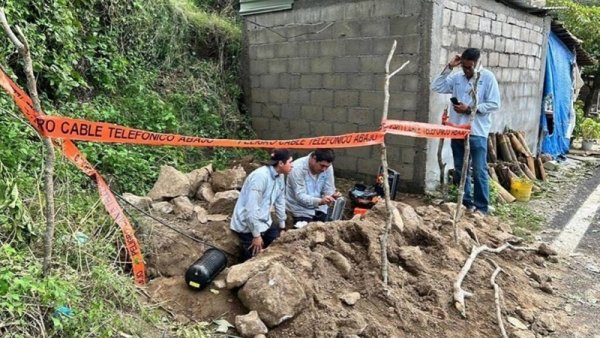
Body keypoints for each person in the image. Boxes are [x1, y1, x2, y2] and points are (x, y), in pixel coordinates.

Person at [432, 48, 501, 214]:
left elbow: (494, 104)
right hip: (457, 131)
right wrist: (449, 66)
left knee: (479, 170)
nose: (466, 70)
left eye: (469, 67)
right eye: (464, 66)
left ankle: (481, 208)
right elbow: (436, 86)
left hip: (476, 132)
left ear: (477, 64)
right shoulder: (456, 77)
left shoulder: (487, 78)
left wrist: (470, 109)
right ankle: (466, 203)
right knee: (461, 169)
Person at [230, 149, 293, 261]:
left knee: (280, 248)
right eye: (290, 162)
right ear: (281, 163)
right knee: (254, 260)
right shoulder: (260, 177)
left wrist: (282, 227)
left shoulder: (280, 176)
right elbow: (251, 209)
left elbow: (280, 200)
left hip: (264, 221)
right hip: (247, 225)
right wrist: (256, 235)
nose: (292, 165)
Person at [286, 148, 340, 224]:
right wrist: (320, 201)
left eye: (327, 166)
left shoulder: (328, 167)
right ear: (313, 159)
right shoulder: (297, 168)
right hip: (299, 209)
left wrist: (331, 196)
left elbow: (329, 188)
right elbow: (300, 196)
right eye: (322, 165)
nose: (324, 169)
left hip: (320, 208)